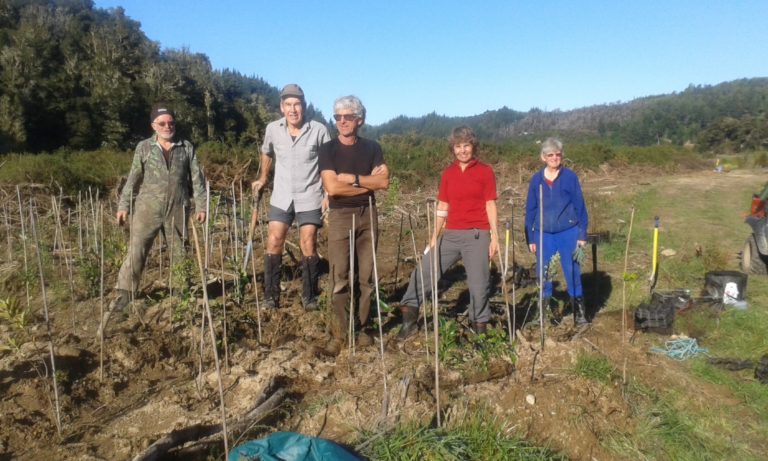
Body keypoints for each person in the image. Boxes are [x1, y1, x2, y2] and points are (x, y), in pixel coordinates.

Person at [396, 126, 499, 340]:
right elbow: (443, 205)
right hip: (451, 234)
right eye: (458, 146)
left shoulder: (485, 171)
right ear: (453, 149)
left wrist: (495, 238)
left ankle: (479, 332)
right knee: (422, 272)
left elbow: (490, 204)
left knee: (479, 286)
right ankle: (409, 321)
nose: (462, 150)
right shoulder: (448, 173)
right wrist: (435, 236)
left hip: (477, 235)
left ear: (473, 146)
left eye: (466, 145)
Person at [109, 104, 206, 315]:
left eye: (171, 123)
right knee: (137, 249)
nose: (167, 126)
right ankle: (125, 293)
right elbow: (133, 178)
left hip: (178, 206)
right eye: (162, 123)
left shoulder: (186, 147)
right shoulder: (144, 147)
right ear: (154, 125)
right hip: (147, 207)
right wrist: (124, 205)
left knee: (179, 249)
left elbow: (197, 179)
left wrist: (201, 205)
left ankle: (182, 292)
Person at [318, 95, 389, 356]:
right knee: (339, 277)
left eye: (348, 116)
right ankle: (339, 333)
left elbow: (384, 183)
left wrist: (353, 179)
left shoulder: (372, 147)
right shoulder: (328, 150)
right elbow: (332, 187)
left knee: (367, 277)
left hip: (368, 214)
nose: (342, 121)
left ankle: (362, 328)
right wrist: (365, 182)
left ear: (360, 119)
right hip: (339, 217)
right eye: (338, 117)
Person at [251, 84, 331, 310]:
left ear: (304, 107)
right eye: (288, 104)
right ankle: (270, 296)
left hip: (310, 194)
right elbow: (267, 152)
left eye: (297, 104)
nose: (293, 109)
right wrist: (263, 177)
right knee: (274, 240)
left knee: (308, 242)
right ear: (281, 107)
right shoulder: (273, 129)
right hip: (282, 194)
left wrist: (327, 193)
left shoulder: (319, 130)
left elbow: (327, 164)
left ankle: (309, 296)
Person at [524, 137, 589, 326]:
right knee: (544, 274)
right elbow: (530, 209)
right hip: (543, 234)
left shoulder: (570, 177)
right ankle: (544, 316)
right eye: (550, 155)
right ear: (543, 157)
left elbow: (580, 206)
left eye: (558, 154)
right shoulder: (536, 180)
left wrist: (581, 234)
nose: (554, 158)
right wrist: (530, 237)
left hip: (568, 232)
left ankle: (580, 315)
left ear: (562, 156)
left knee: (572, 271)